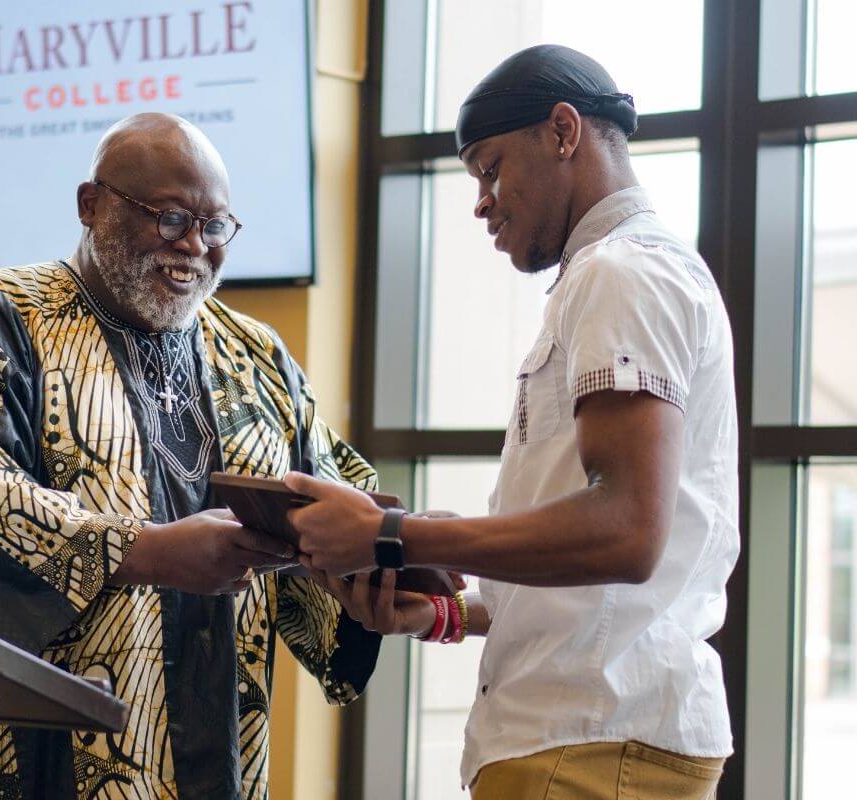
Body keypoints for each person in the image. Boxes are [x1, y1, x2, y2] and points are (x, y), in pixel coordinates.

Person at [0, 112, 381, 799]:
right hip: (23, 755)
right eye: (171, 218)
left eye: (216, 227)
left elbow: (332, 495)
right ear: (92, 205)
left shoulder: (257, 357)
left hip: (218, 749)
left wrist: (390, 559)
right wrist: (144, 551)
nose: (195, 247)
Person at [286, 45, 738, 799]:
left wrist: (391, 536)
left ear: (564, 132)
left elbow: (627, 531)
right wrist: (439, 613)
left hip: (592, 743)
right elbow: (591, 595)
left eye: (491, 168)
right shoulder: (620, 273)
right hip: (590, 738)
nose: (481, 201)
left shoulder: (620, 273)